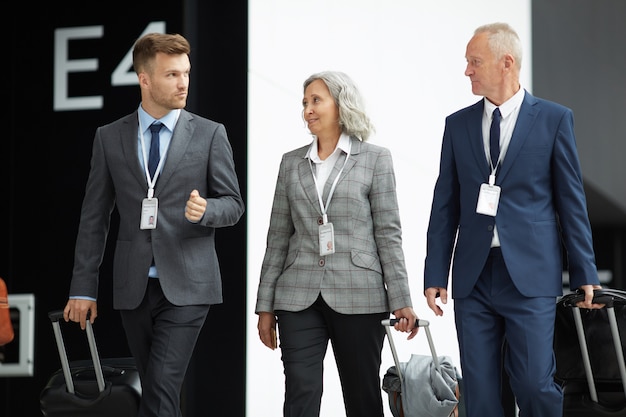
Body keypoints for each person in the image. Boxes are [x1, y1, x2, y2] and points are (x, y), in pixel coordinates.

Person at [423, 22, 603, 417]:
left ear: (507, 63)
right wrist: (436, 272)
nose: (467, 71)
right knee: (482, 395)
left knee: (534, 384)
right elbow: (445, 205)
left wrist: (585, 269)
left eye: (474, 61)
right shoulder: (457, 125)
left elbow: (571, 201)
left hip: (530, 275)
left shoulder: (554, 119)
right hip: (472, 276)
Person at [63, 32, 245, 417]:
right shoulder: (109, 137)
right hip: (134, 288)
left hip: (189, 285)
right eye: (172, 75)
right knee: (158, 395)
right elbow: (94, 217)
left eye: (186, 73)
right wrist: (83, 288)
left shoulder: (211, 134)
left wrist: (206, 210)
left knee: (159, 388)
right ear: (144, 79)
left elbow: (233, 205)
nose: (184, 83)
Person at [255, 70, 418, 417]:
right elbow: (277, 237)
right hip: (297, 294)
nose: (307, 110)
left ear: (341, 104)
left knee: (361, 397)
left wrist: (401, 299)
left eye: (316, 100)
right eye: (304, 103)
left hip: (361, 294)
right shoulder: (291, 163)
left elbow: (388, 233)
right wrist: (265, 307)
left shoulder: (376, 158)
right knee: (301, 389)